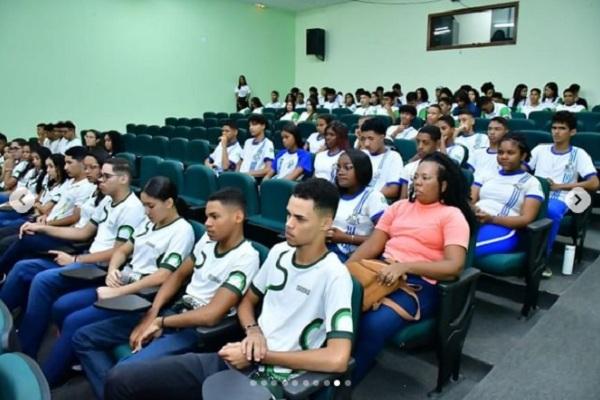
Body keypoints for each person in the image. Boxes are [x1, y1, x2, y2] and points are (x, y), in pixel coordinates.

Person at [102, 179, 354, 400]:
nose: (288, 224)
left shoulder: (335, 276)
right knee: (121, 379)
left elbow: (337, 358)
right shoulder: (279, 253)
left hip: (273, 380)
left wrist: (262, 356)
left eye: (300, 219)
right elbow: (247, 301)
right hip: (236, 356)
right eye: (288, 214)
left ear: (326, 223)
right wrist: (253, 332)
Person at [74, 188, 260, 399]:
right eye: (207, 216)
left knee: (120, 375)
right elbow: (177, 275)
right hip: (171, 313)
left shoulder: (246, 257)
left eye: (215, 217)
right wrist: (153, 313)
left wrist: (160, 323)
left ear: (238, 217)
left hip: (193, 330)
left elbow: (212, 315)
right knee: (84, 338)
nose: (207, 222)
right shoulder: (207, 243)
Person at [39, 176, 195, 386]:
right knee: (62, 305)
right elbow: (122, 249)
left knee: (74, 321)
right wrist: (113, 269)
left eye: (151, 206)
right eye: (144, 206)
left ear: (169, 203)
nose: (147, 212)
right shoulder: (149, 223)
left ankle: (45, 382)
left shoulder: (182, 230)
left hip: (141, 295)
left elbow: (163, 275)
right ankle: (69, 359)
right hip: (123, 283)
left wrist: (120, 291)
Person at [0, 158, 146, 360]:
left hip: (98, 267)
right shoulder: (107, 200)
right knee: (24, 267)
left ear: (123, 179)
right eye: (101, 175)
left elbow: (117, 253)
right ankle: (4, 328)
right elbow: (84, 233)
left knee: (42, 281)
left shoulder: (132, 209)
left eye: (106, 176)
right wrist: (43, 227)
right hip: (85, 256)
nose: (100, 180)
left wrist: (76, 260)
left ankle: (25, 350)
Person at [349, 152, 475, 382]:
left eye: (425, 178)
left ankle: (340, 386)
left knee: (372, 325)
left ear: (443, 185)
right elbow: (372, 245)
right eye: (416, 176)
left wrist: (406, 266)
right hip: (381, 271)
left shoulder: (452, 215)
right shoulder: (398, 207)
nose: (417, 182)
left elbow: (454, 266)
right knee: (337, 302)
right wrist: (344, 270)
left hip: (421, 284)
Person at [528, 111, 599, 276]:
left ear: (572, 132)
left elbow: (594, 183)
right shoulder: (540, 149)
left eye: (562, 128)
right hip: (536, 192)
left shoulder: (579, 154)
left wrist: (562, 186)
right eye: (554, 128)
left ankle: (541, 260)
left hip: (564, 195)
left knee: (551, 211)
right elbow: (525, 168)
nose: (556, 132)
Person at [472, 134, 544, 257]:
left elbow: (526, 219)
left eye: (510, 153)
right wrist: (473, 209)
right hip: (475, 219)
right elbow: (470, 200)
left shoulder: (531, 182)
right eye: (500, 152)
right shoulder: (486, 174)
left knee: (462, 252)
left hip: (504, 228)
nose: (504, 157)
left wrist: (491, 218)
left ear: (523, 156)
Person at [328, 149, 387, 262]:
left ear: (361, 170)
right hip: (327, 247)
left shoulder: (373, 197)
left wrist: (345, 238)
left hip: (353, 255)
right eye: (338, 167)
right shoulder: (334, 193)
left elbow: (383, 239)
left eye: (347, 167)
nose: (340, 172)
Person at [361, 118, 404, 199]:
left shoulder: (393, 157)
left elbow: (393, 190)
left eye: (371, 138)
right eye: (363, 139)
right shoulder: (362, 154)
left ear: (382, 137)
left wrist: (366, 198)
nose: (366, 144)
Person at [399, 125, 442, 199]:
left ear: (437, 144)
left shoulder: (443, 168)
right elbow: (403, 198)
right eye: (418, 142)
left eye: (425, 143)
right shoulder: (409, 167)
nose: (420, 146)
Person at [237, 114, 274, 179]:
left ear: (263, 126)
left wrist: (246, 174)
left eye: (254, 124)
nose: (251, 127)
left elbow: (268, 169)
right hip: (240, 177)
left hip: (252, 179)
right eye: (250, 125)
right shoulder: (247, 142)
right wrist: (236, 174)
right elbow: (240, 162)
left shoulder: (268, 144)